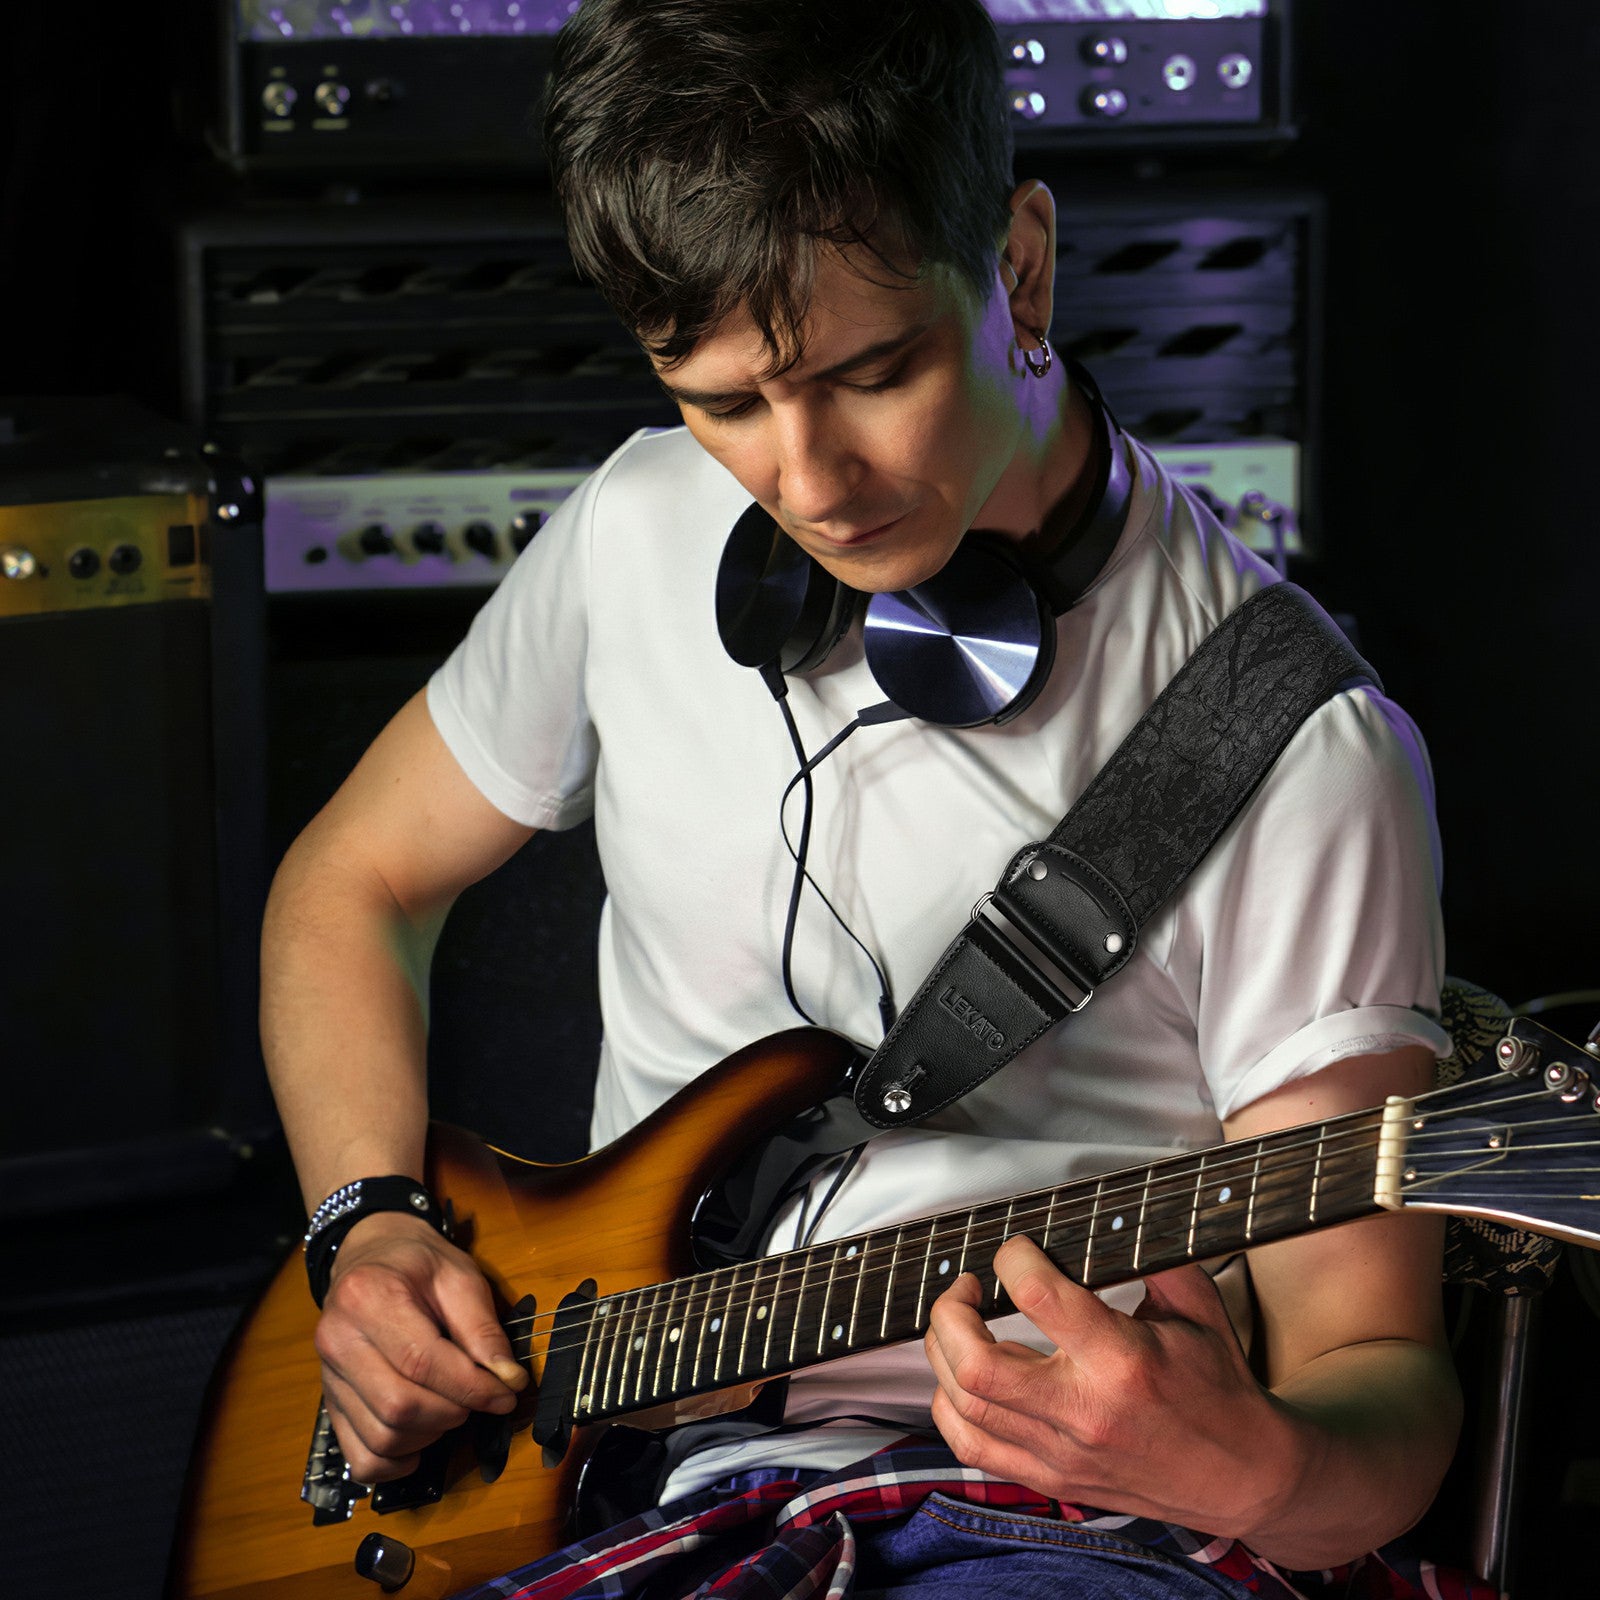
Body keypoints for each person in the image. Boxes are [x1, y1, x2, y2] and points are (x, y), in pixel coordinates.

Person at [261, 1, 1470, 1593]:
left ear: (1019, 269)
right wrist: (367, 1222)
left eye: (875, 371)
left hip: (1052, 1515)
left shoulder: (1299, 747)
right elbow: (351, 883)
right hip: (633, 1472)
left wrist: (1250, 1464)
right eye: (724, 403)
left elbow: (1379, 1389)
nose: (810, 483)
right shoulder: (636, 530)